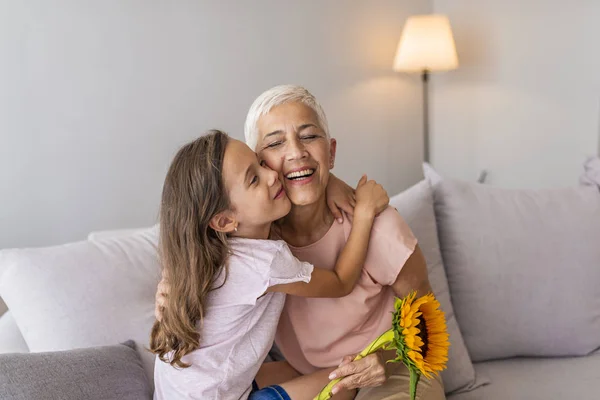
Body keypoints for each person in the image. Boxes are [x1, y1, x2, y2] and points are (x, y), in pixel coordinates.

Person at [157, 85, 446, 400]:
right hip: (310, 375)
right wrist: (169, 282)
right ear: (262, 162)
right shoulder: (261, 234)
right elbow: (195, 242)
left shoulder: (379, 226)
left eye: (309, 137)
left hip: (391, 369)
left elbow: (426, 322)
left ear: (331, 152)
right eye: (276, 143)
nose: (295, 152)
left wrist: (383, 361)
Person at [149, 129, 389, 400]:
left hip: (177, 394)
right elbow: (341, 282)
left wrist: (330, 182)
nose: (272, 174)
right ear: (225, 221)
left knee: (300, 369)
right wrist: (365, 213)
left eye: (261, 163)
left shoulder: (201, 251)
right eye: (254, 179)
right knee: (344, 381)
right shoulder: (263, 263)